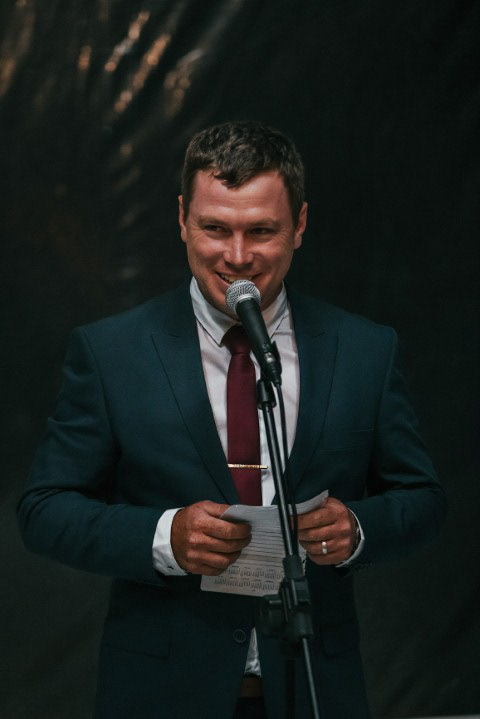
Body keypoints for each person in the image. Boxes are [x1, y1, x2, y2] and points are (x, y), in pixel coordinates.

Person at [18, 121, 446, 719]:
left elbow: (423, 499)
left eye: (261, 231)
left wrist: (358, 527)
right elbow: (44, 510)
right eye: (215, 228)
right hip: (160, 695)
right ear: (182, 219)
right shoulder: (111, 352)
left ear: (300, 225)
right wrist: (166, 537)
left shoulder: (364, 350)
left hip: (314, 688)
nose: (237, 256)